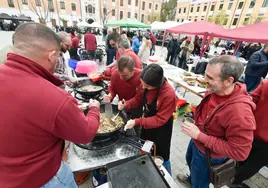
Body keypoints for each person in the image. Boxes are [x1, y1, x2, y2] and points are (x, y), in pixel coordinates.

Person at [0, 23, 100, 188]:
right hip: (45, 179)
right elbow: (86, 133)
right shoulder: (55, 97)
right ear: (52, 55)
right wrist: (94, 109)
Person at [176, 55, 256, 188]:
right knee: (190, 162)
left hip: (210, 154)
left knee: (200, 183)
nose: (204, 80)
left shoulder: (240, 113)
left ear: (228, 81)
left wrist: (200, 136)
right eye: (205, 75)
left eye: (210, 78)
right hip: (198, 141)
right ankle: (192, 179)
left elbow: (240, 153)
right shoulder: (217, 89)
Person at [118, 64, 176, 175]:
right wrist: (126, 104)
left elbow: (159, 120)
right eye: (142, 84)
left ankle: (168, 178)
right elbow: (138, 99)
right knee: (146, 147)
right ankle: (147, 171)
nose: (143, 88)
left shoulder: (168, 94)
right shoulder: (145, 84)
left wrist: (137, 121)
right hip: (147, 123)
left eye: (147, 87)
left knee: (161, 156)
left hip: (161, 129)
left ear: (157, 85)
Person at [228, 80, 268, 188]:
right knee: (253, 164)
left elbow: (251, 100)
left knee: (242, 157)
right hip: (264, 141)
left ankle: (229, 176)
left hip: (252, 130)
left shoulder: (266, 84)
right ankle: (234, 181)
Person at [103, 55, 143, 136]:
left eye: (124, 75)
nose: (121, 78)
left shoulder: (141, 77)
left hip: (136, 109)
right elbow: (112, 88)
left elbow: (139, 98)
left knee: (135, 131)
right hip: (121, 105)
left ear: (132, 71)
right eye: (119, 74)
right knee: (121, 127)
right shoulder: (115, 74)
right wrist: (110, 95)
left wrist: (127, 104)